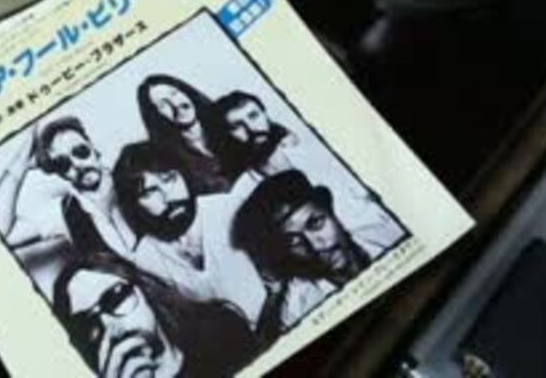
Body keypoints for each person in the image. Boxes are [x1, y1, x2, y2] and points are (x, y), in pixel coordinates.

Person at [232, 171, 404, 342]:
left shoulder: (391, 232)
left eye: (315, 223)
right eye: (294, 241)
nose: (316, 245)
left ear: (330, 211)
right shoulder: (298, 313)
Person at [215, 90, 405, 244]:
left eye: (254, 115)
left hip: (388, 235)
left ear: (265, 114)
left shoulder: (317, 151)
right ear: (227, 136)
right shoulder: (244, 193)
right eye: (237, 126)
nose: (252, 128)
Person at [112, 142, 266, 327]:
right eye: (148, 193)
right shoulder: (146, 257)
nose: (168, 197)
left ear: (184, 175)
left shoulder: (228, 208)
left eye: (170, 179)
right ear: (135, 206)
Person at [52, 252, 258, 378]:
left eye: (115, 298)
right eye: (87, 323)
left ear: (144, 291)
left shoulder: (222, 330)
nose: (110, 328)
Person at [0, 116, 134, 256]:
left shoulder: (133, 172)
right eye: (63, 163)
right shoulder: (64, 213)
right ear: (57, 172)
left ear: (92, 145)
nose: (77, 165)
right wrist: (21, 162)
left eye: (80, 151)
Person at [136, 75, 232, 194]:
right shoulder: (168, 159)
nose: (175, 104)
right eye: (163, 104)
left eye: (174, 93)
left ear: (186, 92)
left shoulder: (229, 123)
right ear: (156, 114)